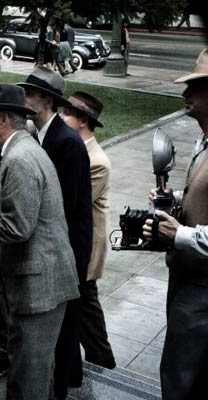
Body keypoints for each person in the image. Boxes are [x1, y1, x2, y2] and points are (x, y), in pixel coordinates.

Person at [0, 82, 79, 400]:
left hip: (39, 289)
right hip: (44, 284)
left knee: (27, 379)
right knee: (36, 373)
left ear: (3, 120)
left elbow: (18, 228)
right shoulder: (25, 149)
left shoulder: (19, 158)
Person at [18, 66, 93, 400]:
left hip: (69, 248)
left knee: (64, 328)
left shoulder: (68, 142)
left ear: (45, 101)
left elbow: (65, 202)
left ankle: (60, 389)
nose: (24, 100)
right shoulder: (41, 135)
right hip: (56, 243)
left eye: (29, 95)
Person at [142, 48, 208, 400]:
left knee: (183, 378)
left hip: (202, 291)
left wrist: (178, 233)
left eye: (194, 87)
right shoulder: (203, 142)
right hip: (188, 284)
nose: (185, 94)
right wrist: (175, 200)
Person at [60, 91, 116, 369]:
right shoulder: (75, 150)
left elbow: (72, 201)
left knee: (87, 310)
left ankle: (103, 362)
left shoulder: (97, 161)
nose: (61, 116)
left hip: (85, 250)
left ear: (83, 121)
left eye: (67, 113)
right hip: (74, 247)